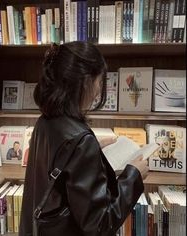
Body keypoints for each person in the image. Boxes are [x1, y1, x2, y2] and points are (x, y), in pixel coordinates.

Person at [19, 41, 149, 236]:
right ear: (86, 82)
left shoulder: (45, 121)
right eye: (99, 81)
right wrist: (134, 177)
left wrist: (93, 149)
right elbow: (100, 225)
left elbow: (59, 169)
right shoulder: (80, 140)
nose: (98, 90)